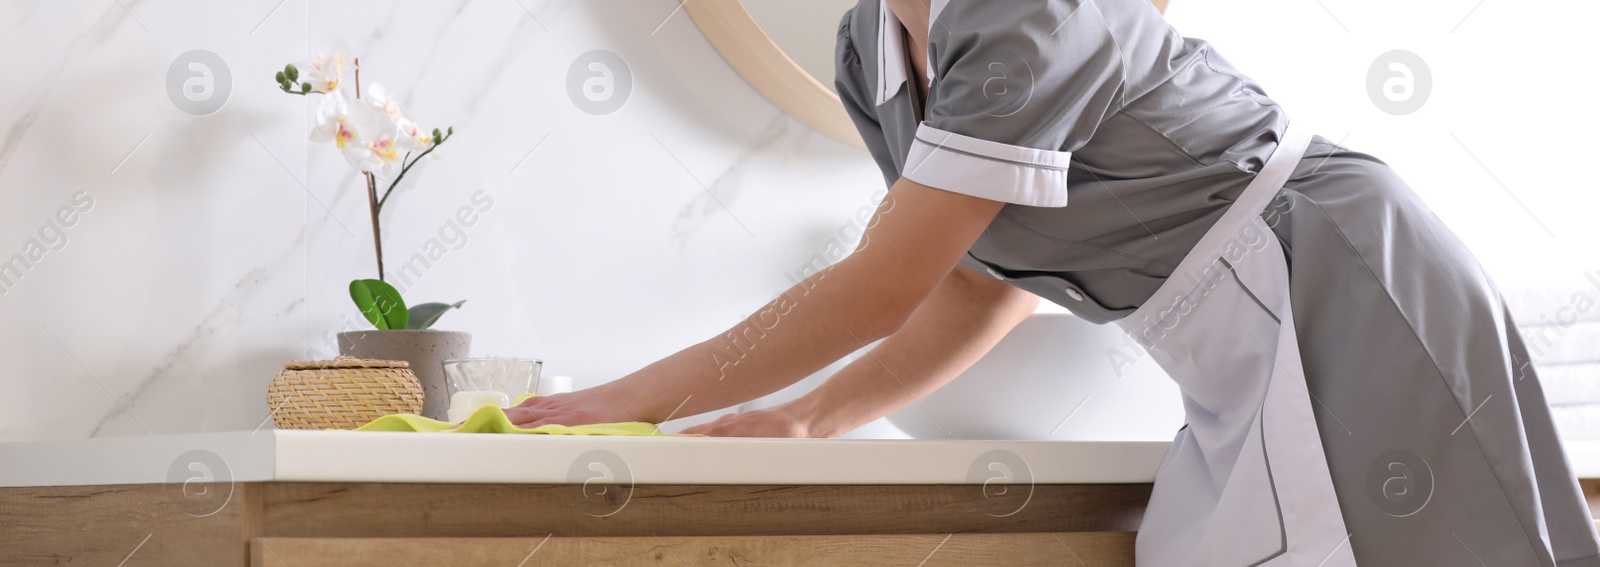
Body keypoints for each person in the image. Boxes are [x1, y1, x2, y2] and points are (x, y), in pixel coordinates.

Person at [506, 0, 1600, 564]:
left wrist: (625, 400)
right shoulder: (867, 52)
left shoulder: (1021, 8)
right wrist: (801, 420)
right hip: (1229, 328)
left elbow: (881, 286)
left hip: (1333, 277)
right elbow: (986, 283)